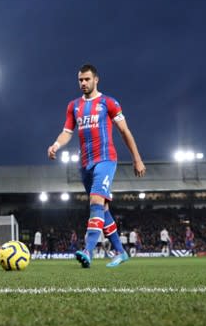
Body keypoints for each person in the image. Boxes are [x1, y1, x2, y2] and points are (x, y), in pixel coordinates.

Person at [47, 64, 146, 268]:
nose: (83, 83)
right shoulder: (73, 106)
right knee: (103, 209)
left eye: (87, 79)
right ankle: (120, 252)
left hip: (106, 159)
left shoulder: (109, 102)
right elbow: (67, 131)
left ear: (96, 80)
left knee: (95, 200)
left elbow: (125, 131)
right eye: (80, 80)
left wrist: (137, 158)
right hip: (85, 164)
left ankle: (88, 250)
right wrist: (56, 144)